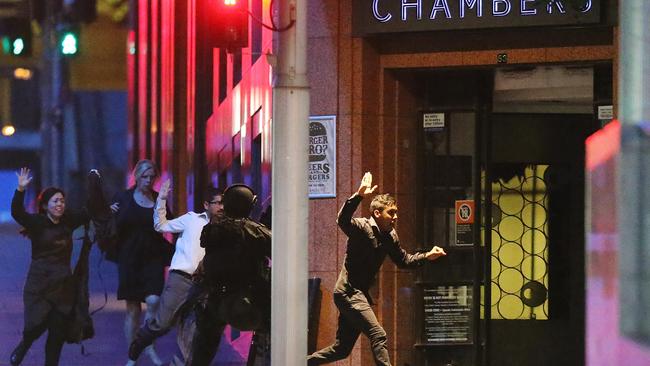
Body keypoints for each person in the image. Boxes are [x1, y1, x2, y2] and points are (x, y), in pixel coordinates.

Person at [307, 172, 447, 366]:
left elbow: (403, 260)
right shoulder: (362, 227)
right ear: (377, 213)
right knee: (378, 334)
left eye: (396, 212)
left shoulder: (390, 236)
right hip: (348, 292)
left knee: (341, 349)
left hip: (359, 295)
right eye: (391, 212)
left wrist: (427, 256)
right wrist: (359, 195)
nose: (396, 217)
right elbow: (342, 220)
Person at [125, 180, 224, 365]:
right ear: (206, 205)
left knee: (196, 331)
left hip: (204, 285)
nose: (221, 207)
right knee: (162, 324)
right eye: (217, 203)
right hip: (181, 280)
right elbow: (161, 226)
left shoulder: (225, 230)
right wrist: (161, 199)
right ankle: (137, 346)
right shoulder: (192, 220)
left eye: (223, 203)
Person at [9, 168, 91, 366]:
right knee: (36, 325)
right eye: (55, 201)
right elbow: (17, 213)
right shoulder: (37, 223)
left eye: (62, 201)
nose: (60, 204)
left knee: (57, 332)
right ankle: (24, 345)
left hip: (63, 285)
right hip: (40, 284)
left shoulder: (68, 221)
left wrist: (106, 202)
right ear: (45, 205)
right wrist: (20, 189)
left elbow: (88, 213)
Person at [187, 184, 271, 366]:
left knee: (202, 352)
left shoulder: (212, 229)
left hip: (214, 299)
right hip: (246, 300)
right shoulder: (252, 230)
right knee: (272, 331)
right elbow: (272, 242)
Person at [111, 159, 171, 366]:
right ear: (136, 176)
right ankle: (133, 354)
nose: (148, 180)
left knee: (154, 301)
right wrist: (109, 214)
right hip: (129, 258)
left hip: (153, 257)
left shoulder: (158, 199)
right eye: (144, 176)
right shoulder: (123, 198)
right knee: (133, 310)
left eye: (151, 177)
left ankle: (149, 345)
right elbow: (109, 224)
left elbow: (169, 225)